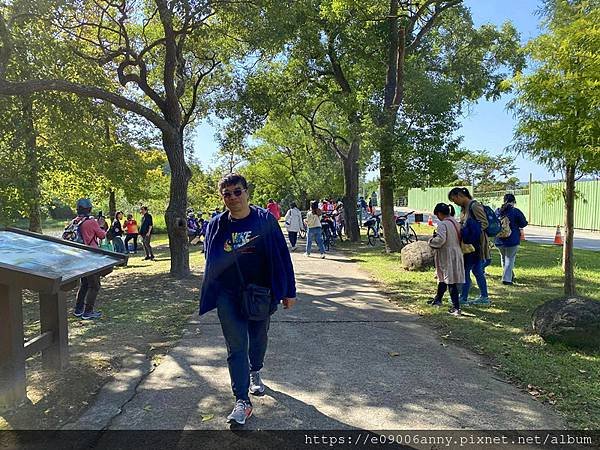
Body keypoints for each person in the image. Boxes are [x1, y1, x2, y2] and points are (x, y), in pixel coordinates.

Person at [199, 173, 296, 426]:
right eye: (227, 194)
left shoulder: (265, 220)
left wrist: (289, 291)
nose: (232, 197)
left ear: (247, 192)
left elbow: (283, 257)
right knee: (236, 347)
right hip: (228, 296)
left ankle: (256, 370)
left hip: (260, 295)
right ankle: (242, 400)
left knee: (259, 339)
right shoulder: (216, 224)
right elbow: (210, 258)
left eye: (237, 191)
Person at [448, 187, 490, 305]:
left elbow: (484, 223)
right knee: (477, 271)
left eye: (454, 199)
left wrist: (471, 232)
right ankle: (484, 297)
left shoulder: (474, 206)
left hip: (475, 244)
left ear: (460, 196)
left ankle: (463, 298)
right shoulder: (464, 208)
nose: (454, 202)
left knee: (465, 270)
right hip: (469, 244)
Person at [428, 203, 465, 316]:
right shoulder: (455, 222)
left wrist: (430, 241)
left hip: (447, 254)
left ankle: (456, 307)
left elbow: (440, 240)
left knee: (450, 281)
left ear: (439, 213)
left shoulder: (443, 224)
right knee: (443, 278)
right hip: (457, 252)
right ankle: (438, 299)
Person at [72, 198, 106, 320]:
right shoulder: (91, 222)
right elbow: (102, 235)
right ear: (89, 209)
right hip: (90, 257)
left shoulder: (75, 221)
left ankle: (78, 309)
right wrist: (101, 225)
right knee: (95, 285)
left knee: (84, 284)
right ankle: (88, 312)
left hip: (79, 257)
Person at [495, 194, 528, 285]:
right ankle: (507, 280)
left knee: (504, 258)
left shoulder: (498, 211)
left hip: (499, 239)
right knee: (509, 259)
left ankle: (510, 275)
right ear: (513, 202)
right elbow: (523, 224)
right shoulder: (515, 211)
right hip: (512, 239)